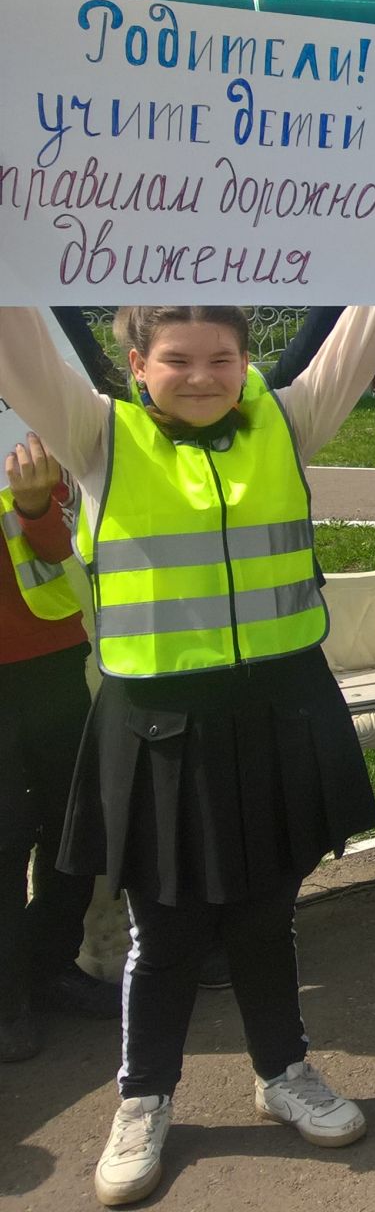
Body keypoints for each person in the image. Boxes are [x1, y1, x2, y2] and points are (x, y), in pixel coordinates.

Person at [0, 151, 375, 1207]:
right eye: (178, 359)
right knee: (164, 929)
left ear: (245, 357)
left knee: (264, 912)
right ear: (135, 363)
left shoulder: (289, 425)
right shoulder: (96, 438)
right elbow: (19, 334)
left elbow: (360, 332)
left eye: (220, 356)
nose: (202, 375)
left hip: (282, 711)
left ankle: (281, 1070)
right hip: (159, 725)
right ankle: (144, 1096)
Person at [0, 433, 119, 1063]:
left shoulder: (27, 407)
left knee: (74, 822)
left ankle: (48, 967)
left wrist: (36, 507)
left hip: (50, 653)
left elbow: (61, 546)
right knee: (5, 835)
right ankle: (8, 999)